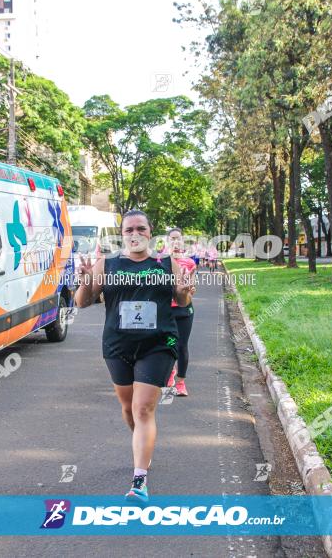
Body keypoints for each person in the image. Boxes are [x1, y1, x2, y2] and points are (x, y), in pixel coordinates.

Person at [74, 209, 195, 502]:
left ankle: (139, 480)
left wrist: (183, 291)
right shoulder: (109, 262)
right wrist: (87, 281)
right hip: (118, 344)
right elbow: (82, 303)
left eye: (141, 228)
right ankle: (143, 446)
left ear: (150, 233)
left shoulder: (167, 263)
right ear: (122, 234)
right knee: (129, 409)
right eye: (129, 230)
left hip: (158, 343)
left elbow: (182, 299)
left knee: (143, 409)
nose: (135, 234)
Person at [165, 228, 197, 396]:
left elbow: (193, 291)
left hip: (184, 310)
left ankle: (181, 382)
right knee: (169, 344)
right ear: (167, 241)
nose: (176, 242)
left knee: (182, 346)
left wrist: (188, 290)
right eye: (172, 239)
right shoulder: (159, 262)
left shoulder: (190, 263)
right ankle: (170, 370)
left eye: (178, 239)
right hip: (166, 311)